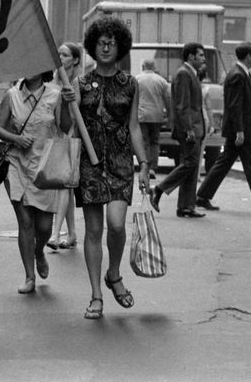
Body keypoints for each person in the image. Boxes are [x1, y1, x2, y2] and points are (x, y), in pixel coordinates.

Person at [77, 17, 150, 320]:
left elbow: (134, 127)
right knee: (94, 230)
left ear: (120, 47)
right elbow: (67, 126)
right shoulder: (79, 83)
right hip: (89, 164)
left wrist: (144, 164)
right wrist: (68, 101)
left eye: (112, 42)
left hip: (121, 164)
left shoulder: (130, 83)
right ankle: (96, 295)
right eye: (100, 41)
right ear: (93, 46)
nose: (106, 46)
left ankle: (114, 273)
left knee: (117, 224)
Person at [0, 72, 75, 294]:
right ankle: (29, 276)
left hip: (46, 167)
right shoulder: (11, 95)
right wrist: (16, 139)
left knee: (44, 227)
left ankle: (39, 251)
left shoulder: (56, 94)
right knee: (25, 222)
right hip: (17, 164)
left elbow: (66, 128)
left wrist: (67, 105)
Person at [195, 42, 251, 215]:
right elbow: (235, 106)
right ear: (249, 56)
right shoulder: (238, 75)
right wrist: (240, 131)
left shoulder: (242, 73)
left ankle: (202, 196)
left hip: (241, 130)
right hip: (242, 131)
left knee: (225, 163)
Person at [150, 42, 210, 217]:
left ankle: (186, 206)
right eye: (201, 55)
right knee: (190, 163)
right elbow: (182, 105)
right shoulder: (184, 74)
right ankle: (159, 189)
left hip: (194, 128)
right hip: (190, 129)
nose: (203, 59)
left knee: (191, 166)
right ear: (191, 56)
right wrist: (189, 128)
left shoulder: (190, 73)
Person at [48, 41, 84, 250]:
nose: (60, 58)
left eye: (65, 55)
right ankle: (71, 234)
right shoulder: (55, 80)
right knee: (66, 188)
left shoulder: (77, 81)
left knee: (64, 185)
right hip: (57, 137)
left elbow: (75, 115)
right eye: (59, 54)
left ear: (75, 60)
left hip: (72, 139)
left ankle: (55, 233)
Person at [134, 58, 171, 180]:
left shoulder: (137, 79)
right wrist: (170, 115)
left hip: (142, 115)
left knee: (144, 141)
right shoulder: (161, 81)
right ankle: (153, 168)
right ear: (154, 67)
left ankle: (145, 166)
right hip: (157, 116)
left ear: (143, 66)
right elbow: (168, 99)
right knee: (155, 141)